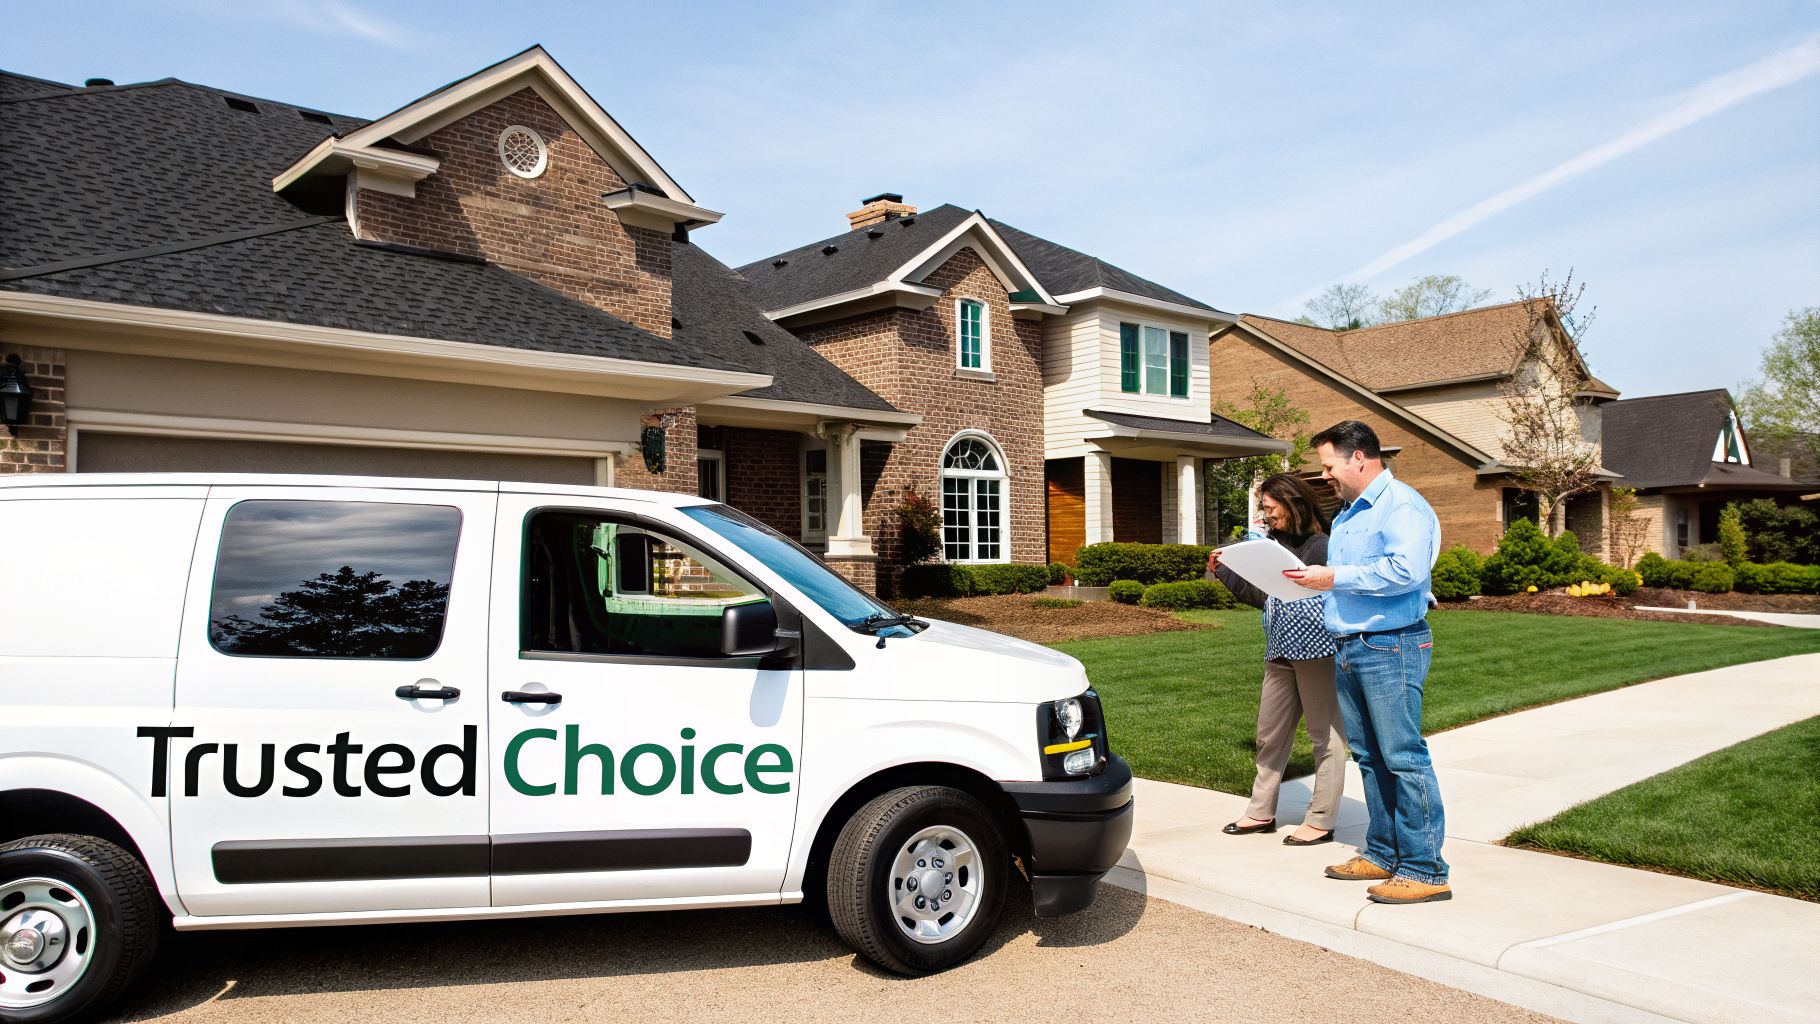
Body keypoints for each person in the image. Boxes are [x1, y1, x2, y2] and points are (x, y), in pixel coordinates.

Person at [1283, 420, 1450, 905]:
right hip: (1352, 645)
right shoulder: (1351, 514)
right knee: (1371, 758)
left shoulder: (1402, 505)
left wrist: (1333, 576)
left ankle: (1425, 869)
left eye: (1329, 465)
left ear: (1359, 458)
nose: (1326, 475)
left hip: (1391, 644)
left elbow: (1406, 569)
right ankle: (1383, 852)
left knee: (1402, 756)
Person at [1207, 473, 1344, 847]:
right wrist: (1224, 570)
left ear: (1292, 501)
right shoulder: (1273, 543)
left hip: (1319, 652)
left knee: (1325, 737)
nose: (1267, 516)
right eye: (1264, 510)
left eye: (1270, 508)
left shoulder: (1322, 546)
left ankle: (1321, 819)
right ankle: (1260, 812)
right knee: (1269, 735)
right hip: (1280, 650)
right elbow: (1264, 595)